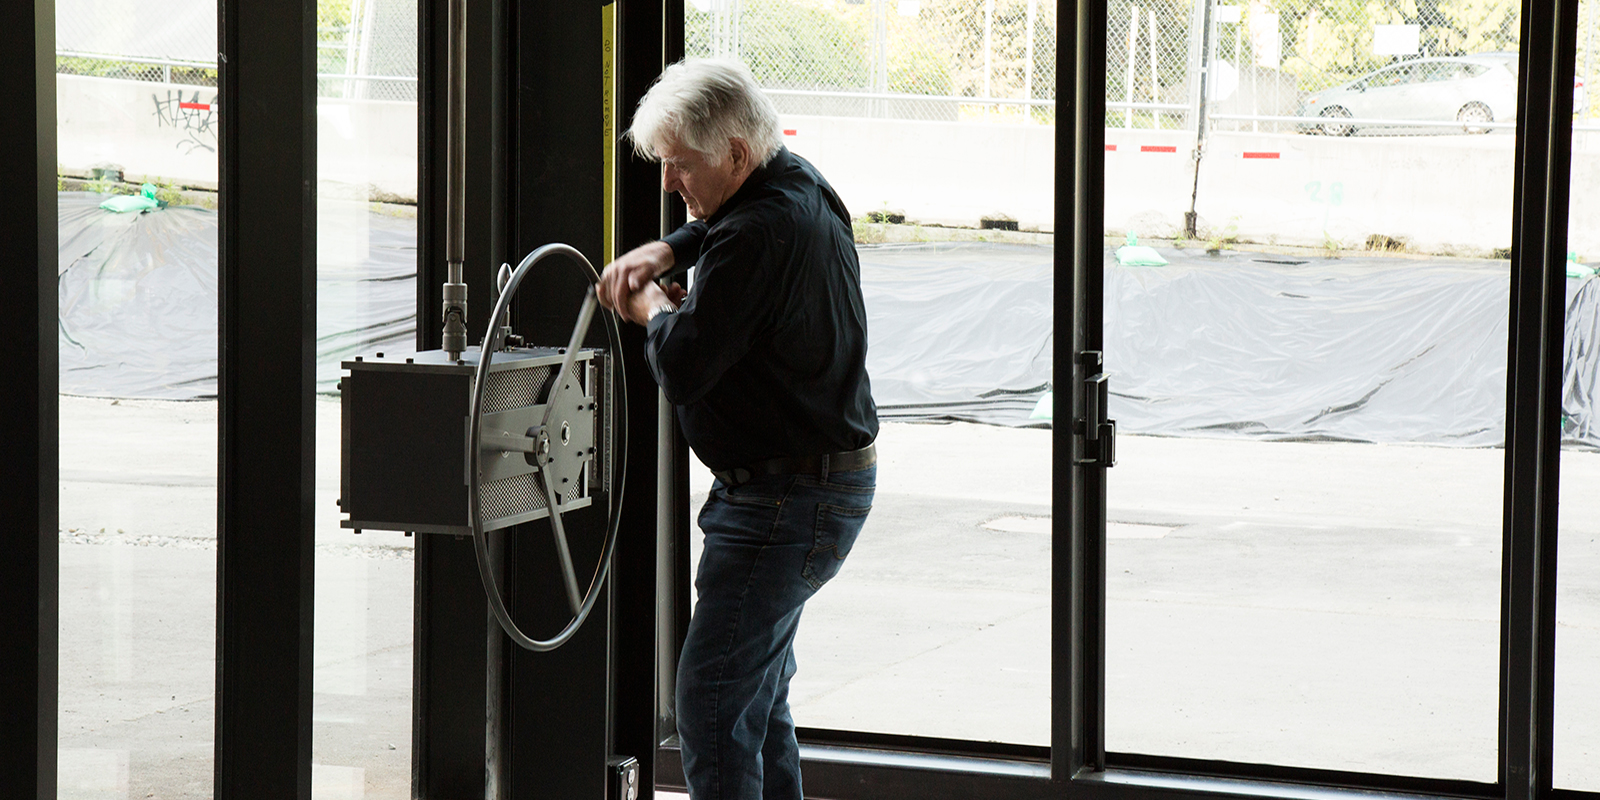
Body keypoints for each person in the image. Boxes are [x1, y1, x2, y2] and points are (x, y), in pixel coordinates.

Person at [596, 58, 878, 800]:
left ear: (736, 154)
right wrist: (672, 247)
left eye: (679, 165)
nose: (667, 184)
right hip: (811, 488)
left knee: (713, 700)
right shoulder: (799, 180)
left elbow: (684, 366)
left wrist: (651, 307)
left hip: (785, 501)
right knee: (756, 697)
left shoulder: (755, 234)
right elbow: (729, 226)